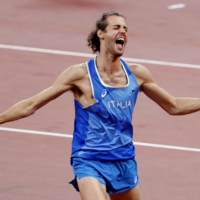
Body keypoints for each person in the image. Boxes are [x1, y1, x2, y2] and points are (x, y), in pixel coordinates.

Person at [0, 11, 200, 200]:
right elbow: (31, 104)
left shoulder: (138, 74)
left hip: (124, 159)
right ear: (101, 34)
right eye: (116, 27)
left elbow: (173, 105)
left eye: (126, 28)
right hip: (89, 159)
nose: (123, 31)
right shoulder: (80, 75)